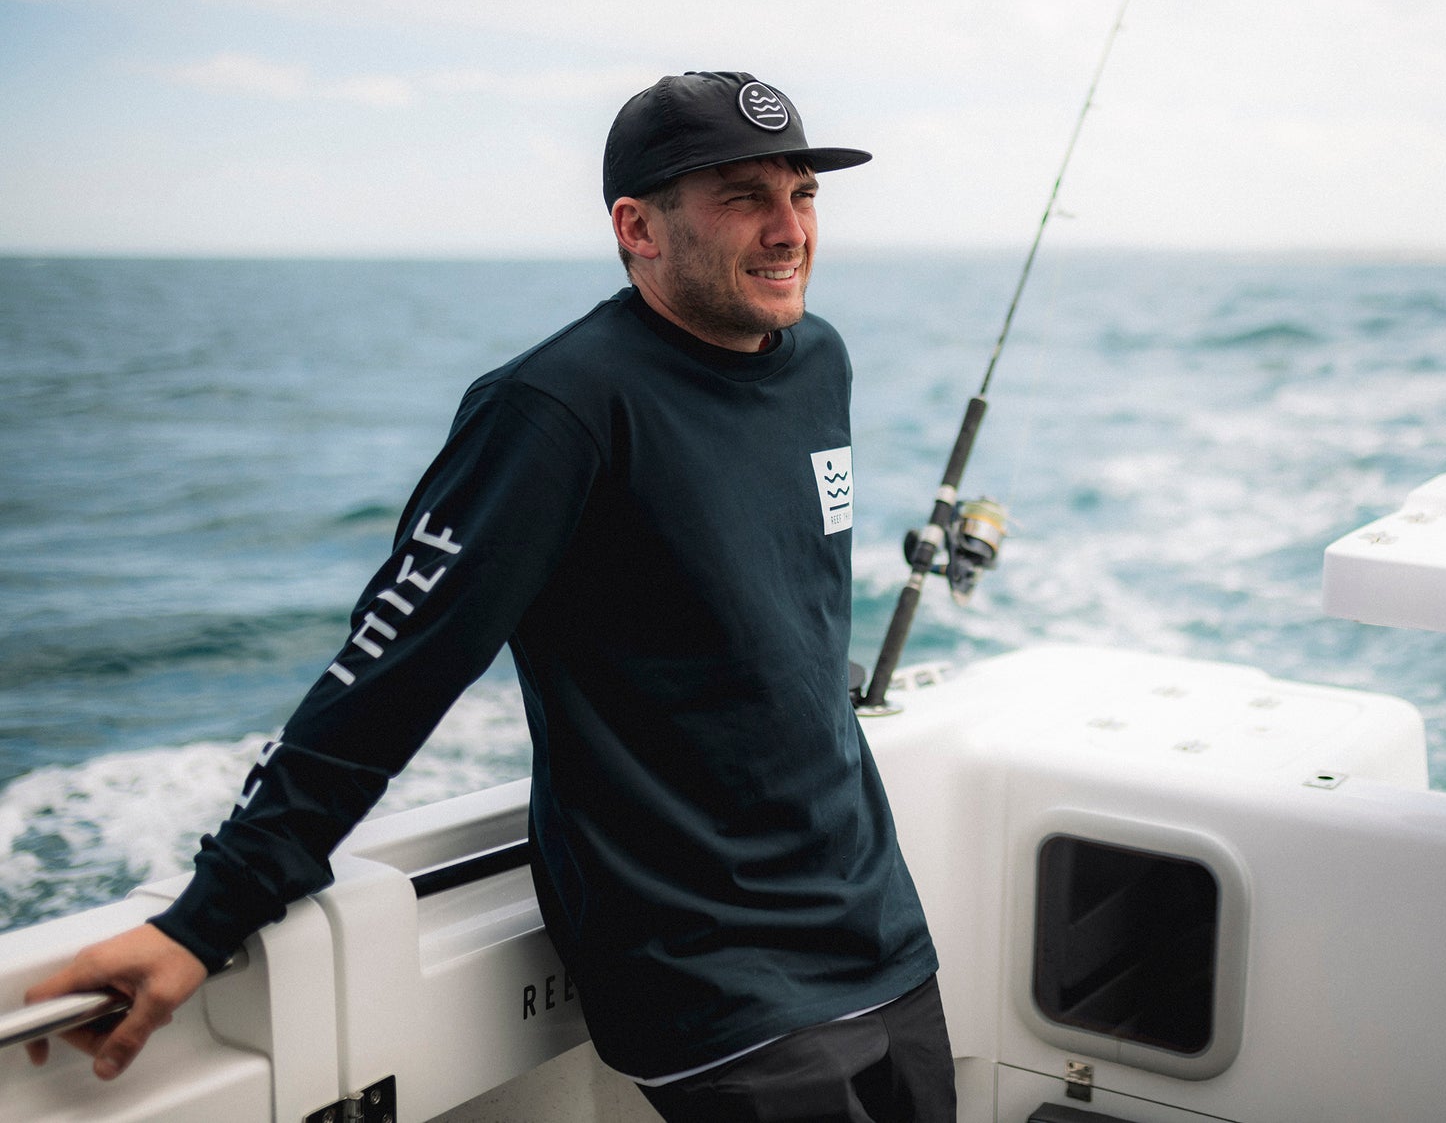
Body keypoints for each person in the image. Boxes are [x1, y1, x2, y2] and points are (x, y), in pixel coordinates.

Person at [24, 71, 954, 1123]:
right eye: (742, 196)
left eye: (804, 194)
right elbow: (388, 673)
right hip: (713, 969)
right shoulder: (555, 410)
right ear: (636, 226)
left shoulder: (815, 359)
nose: (788, 229)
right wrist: (205, 919)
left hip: (875, 923)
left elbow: (775, 618)